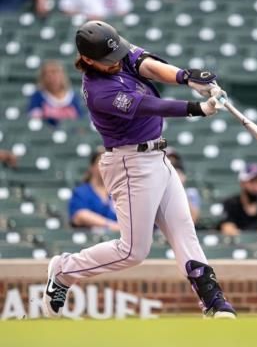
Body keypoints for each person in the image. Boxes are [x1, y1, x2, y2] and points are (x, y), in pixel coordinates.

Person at [42, 20, 236, 319]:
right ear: (88, 60)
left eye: (117, 53)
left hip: (157, 156)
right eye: (108, 60)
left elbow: (149, 66)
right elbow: (148, 105)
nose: (117, 61)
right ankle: (64, 270)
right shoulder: (99, 91)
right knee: (133, 251)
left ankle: (214, 302)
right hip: (129, 164)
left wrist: (187, 77)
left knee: (184, 231)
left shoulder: (115, 52)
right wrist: (198, 108)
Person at [69, 149, 119, 231]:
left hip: (116, 240)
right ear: (91, 167)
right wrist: (112, 226)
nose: (106, 165)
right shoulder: (82, 192)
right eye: (102, 161)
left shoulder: (116, 192)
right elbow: (80, 216)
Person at [220, 163, 257, 236]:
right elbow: (227, 228)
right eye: (252, 181)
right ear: (242, 183)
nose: (256, 186)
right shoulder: (231, 204)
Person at [28, 60, 83, 126]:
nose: (51, 77)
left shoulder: (73, 97)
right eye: (46, 74)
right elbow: (34, 118)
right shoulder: (37, 96)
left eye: (54, 72)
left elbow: (80, 121)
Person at [166, 147, 201, 224]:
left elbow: (193, 218)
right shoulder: (154, 189)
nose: (171, 161)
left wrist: (179, 189)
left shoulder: (190, 193)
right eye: (168, 158)